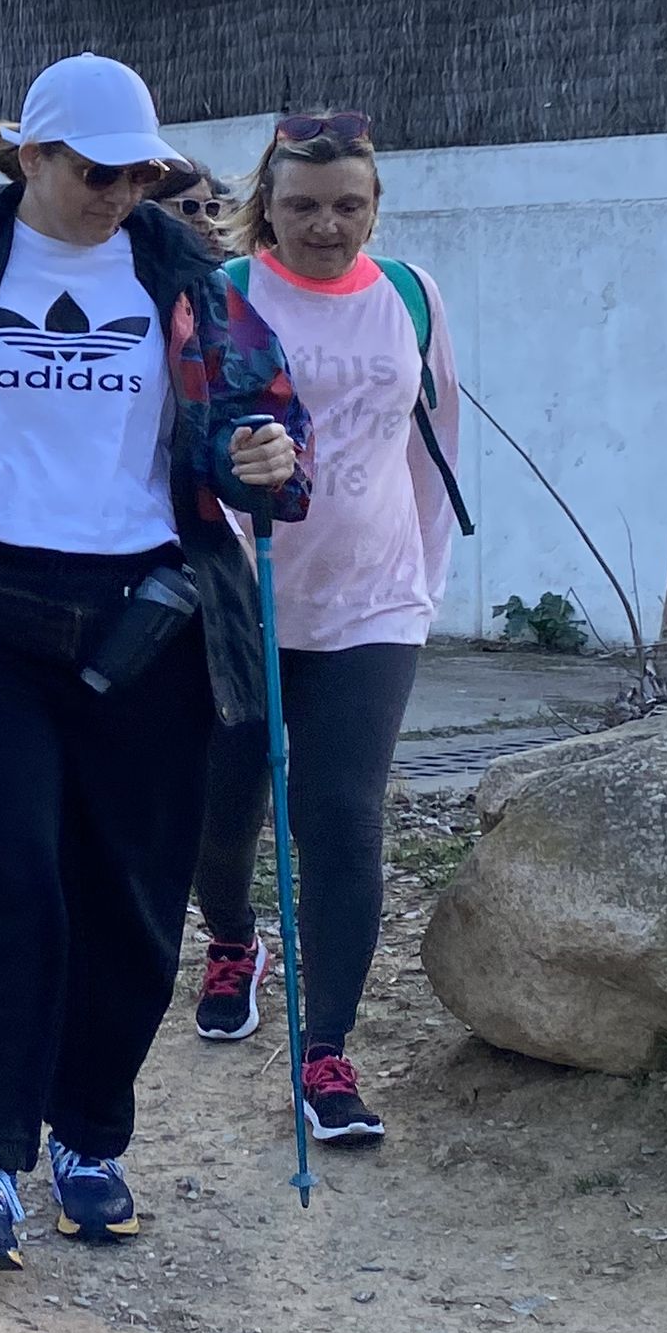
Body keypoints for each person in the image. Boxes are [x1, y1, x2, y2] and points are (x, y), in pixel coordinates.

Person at [0, 52, 308, 1270]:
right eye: (94, 171)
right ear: (29, 154)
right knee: (3, 878)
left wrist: (268, 460)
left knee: (136, 902)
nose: (116, 194)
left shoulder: (185, 276)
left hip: (147, 620)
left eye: (139, 174)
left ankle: (89, 1136)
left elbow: (271, 416)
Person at [187, 111, 467, 1150]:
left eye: (349, 205)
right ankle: (230, 937)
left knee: (340, 819)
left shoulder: (410, 295)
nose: (326, 227)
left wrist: (422, 586)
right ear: (267, 204)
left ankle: (327, 1053)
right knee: (223, 809)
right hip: (245, 596)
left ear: (375, 206)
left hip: (373, 602)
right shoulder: (225, 297)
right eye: (303, 206)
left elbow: (435, 440)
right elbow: (180, 443)